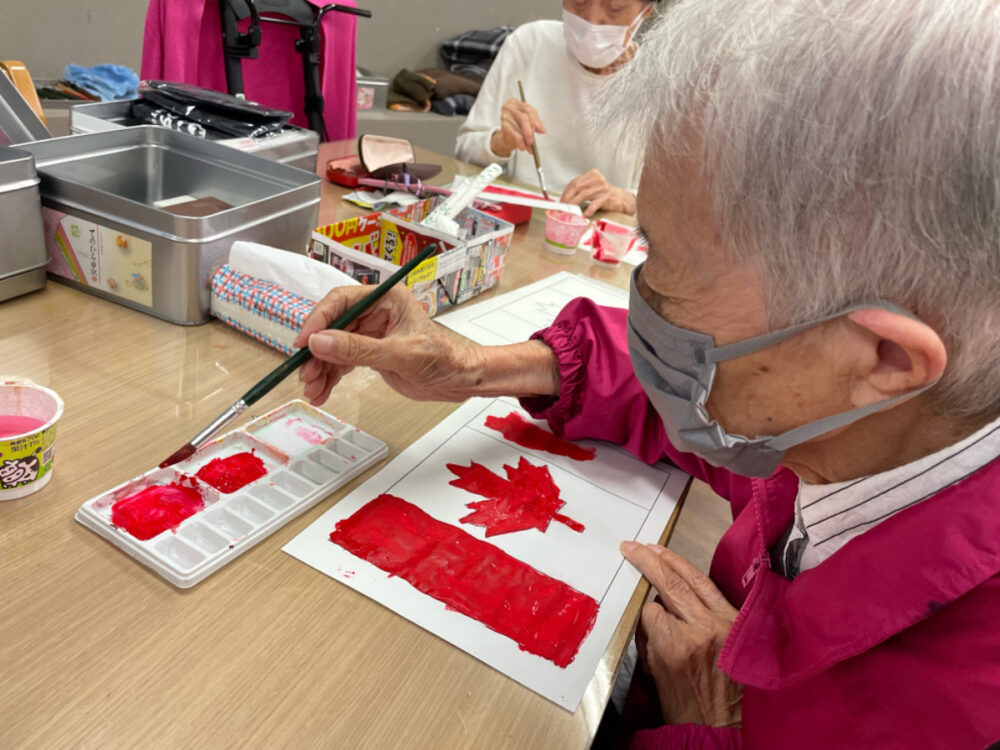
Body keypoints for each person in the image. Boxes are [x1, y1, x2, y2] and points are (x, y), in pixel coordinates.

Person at [296, 0, 1000, 747]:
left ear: (882, 360)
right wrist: (468, 365)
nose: (644, 300)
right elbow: (701, 395)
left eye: (660, 262)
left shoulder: (950, 706)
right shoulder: (870, 426)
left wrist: (710, 727)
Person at [455, 0, 657, 217]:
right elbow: (464, 154)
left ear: (645, 11)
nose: (592, 21)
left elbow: (670, 208)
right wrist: (500, 143)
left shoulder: (657, 81)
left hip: (599, 237)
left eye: (615, 8)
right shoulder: (530, 43)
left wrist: (627, 200)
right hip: (522, 224)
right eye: (579, 2)